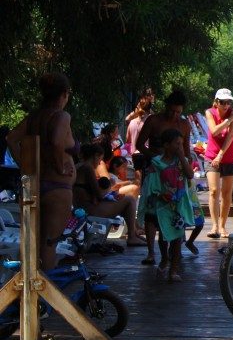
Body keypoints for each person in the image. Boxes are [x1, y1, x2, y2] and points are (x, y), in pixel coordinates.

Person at [6, 73, 76, 269]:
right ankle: (45, 292)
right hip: (57, 187)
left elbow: (11, 138)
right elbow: (55, 141)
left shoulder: (34, 117)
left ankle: (29, 288)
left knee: (31, 242)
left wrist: (26, 166)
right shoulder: (61, 116)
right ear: (64, 94)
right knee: (49, 242)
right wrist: (60, 165)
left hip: (35, 183)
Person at [135, 90, 192, 266]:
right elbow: (139, 144)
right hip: (155, 170)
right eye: (172, 111)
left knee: (176, 209)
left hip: (175, 173)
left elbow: (187, 150)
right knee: (152, 211)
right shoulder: (154, 121)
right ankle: (151, 252)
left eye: (178, 112)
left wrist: (185, 166)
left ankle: (175, 249)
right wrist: (152, 156)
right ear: (166, 107)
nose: (174, 115)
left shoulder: (184, 125)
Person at [140, 128, 194, 282]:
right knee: (164, 236)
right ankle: (164, 257)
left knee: (177, 238)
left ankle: (173, 270)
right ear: (166, 145)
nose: (179, 147)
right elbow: (151, 183)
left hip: (178, 206)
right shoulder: (156, 162)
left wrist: (183, 157)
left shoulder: (181, 162)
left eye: (181, 144)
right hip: (162, 205)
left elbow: (190, 175)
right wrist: (158, 195)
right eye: (176, 144)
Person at [72, 144, 145, 246]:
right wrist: (110, 186)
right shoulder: (87, 168)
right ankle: (132, 236)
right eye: (100, 159)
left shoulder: (78, 166)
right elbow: (99, 194)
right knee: (129, 200)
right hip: (89, 209)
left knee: (124, 202)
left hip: (83, 207)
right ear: (96, 156)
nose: (98, 164)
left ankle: (134, 233)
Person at [204, 88, 233, 239]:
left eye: (228, 102)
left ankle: (223, 225)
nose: (226, 105)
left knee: (226, 193)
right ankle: (214, 225)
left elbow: (230, 135)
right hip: (211, 155)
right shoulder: (209, 112)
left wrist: (221, 155)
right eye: (223, 102)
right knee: (213, 190)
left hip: (229, 156)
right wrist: (229, 120)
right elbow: (214, 131)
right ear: (216, 102)